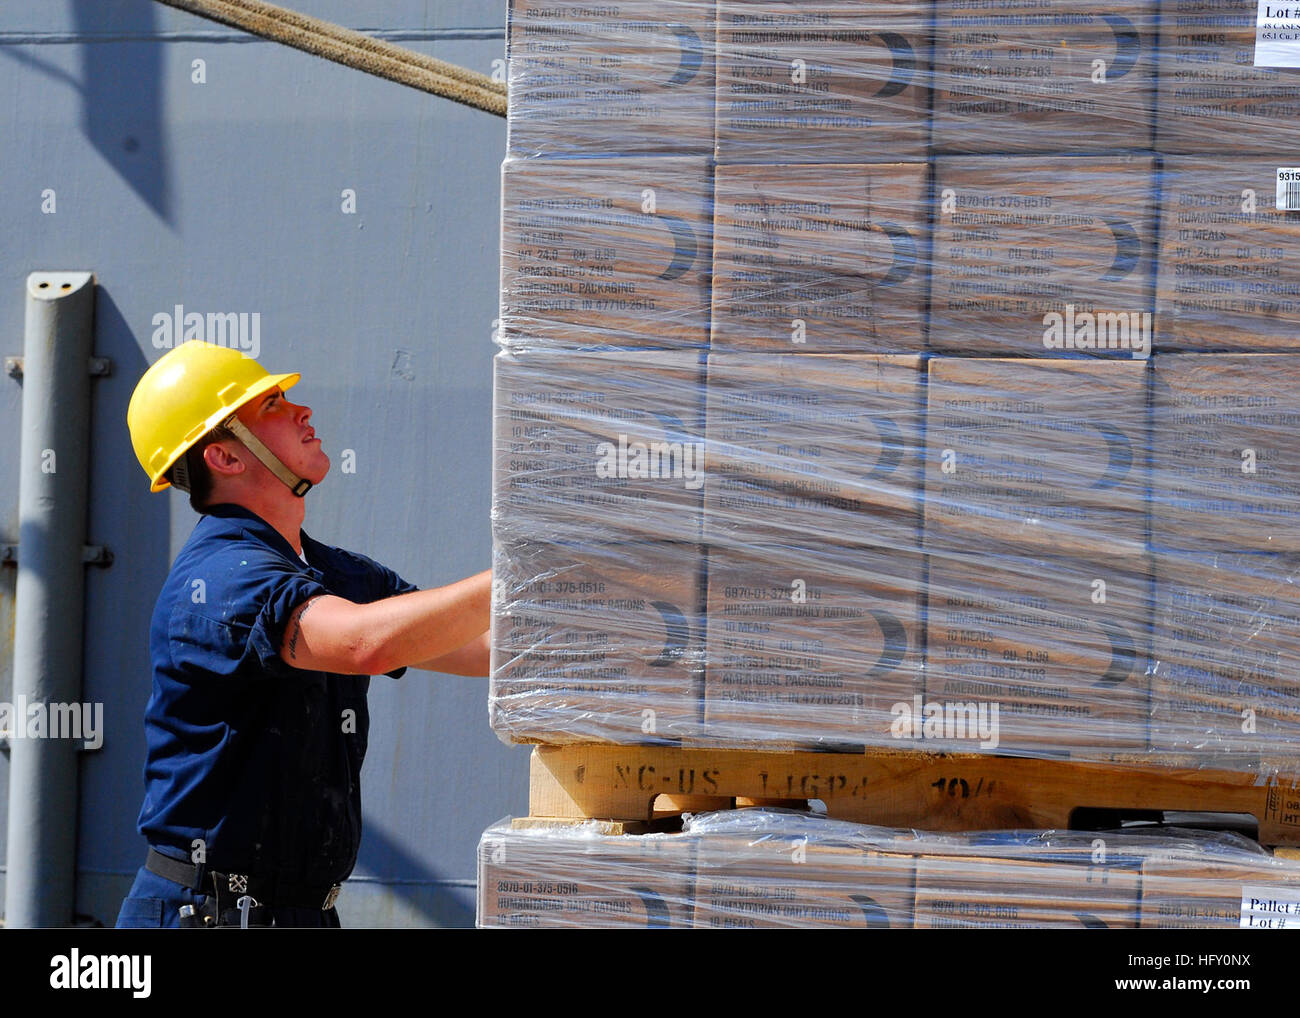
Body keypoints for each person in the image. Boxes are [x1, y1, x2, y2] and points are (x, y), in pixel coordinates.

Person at [116, 340, 490, 928]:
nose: (301, 412)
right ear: (226, 458)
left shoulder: (329, 572)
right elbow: (368, 644)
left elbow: (478, 648)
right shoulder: (221, 578)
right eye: (271, 406)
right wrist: (528, 566)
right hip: (207, 916)